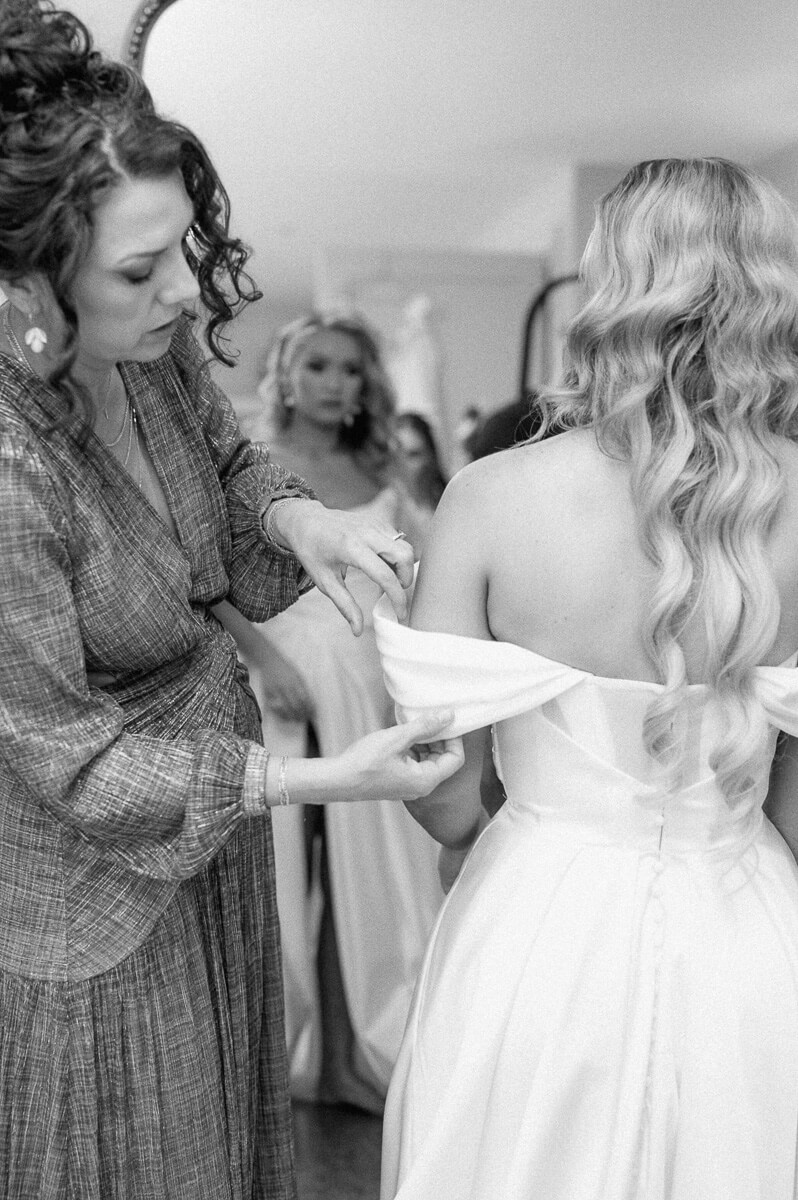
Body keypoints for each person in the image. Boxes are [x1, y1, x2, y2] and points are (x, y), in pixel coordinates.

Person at [0, 6, 463, 1199]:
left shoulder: (148, 356)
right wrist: (316, 780)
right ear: (32, 274)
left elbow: (233, 464)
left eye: (180, 253)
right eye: (138, 271)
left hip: (208, 851)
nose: (175, 299)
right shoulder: (10, 468)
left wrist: (305, 521)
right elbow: (75, 765)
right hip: (94, 903)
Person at [374, 157, 798, 1199]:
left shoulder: (489, 496)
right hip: (748, 931)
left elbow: (438, 791)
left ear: (611, 288)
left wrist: (493, 846)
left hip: (536, 931)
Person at [216, 314, 446, 1113]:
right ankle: (274, 1065)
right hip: (278, 678)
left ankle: (353, 1057)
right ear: (287, 370)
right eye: (317, 364)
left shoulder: (382, 466)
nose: (335, 382)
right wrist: (266, 657)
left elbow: (423, 572)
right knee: (282, 876)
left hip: (366, 680)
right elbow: (205, 579)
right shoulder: (251, 463)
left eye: (351, 369)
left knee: (366, 875)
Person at [393, 410, 447, 513]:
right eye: (396, 456)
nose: (402, 464)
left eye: (413, 455)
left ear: (431, 457)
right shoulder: (387, 515)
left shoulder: (451, 506)